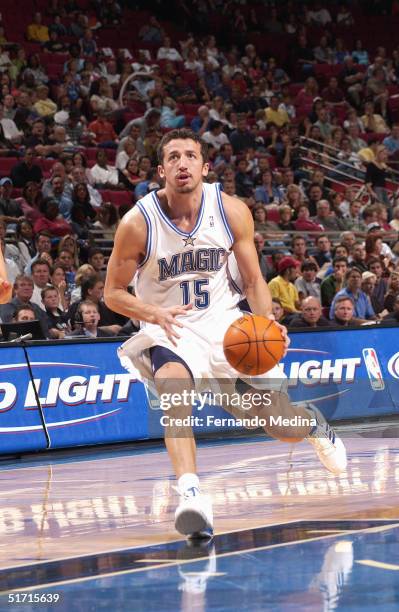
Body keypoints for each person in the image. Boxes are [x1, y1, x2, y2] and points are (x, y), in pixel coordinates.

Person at [104, 128, 347, 539]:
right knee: (175, 398)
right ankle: (192, 495)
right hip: (171, 328)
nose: (183, 163)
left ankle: (313, 425)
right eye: (174, 157)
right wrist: (152, 312)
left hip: (226, 328)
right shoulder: (137, 223)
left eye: (190, 156)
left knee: (276, 423)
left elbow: (253, 281)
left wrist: (266, 323)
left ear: (204, 165)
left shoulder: (231, 210)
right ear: (161, 170)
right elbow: (111, 293)